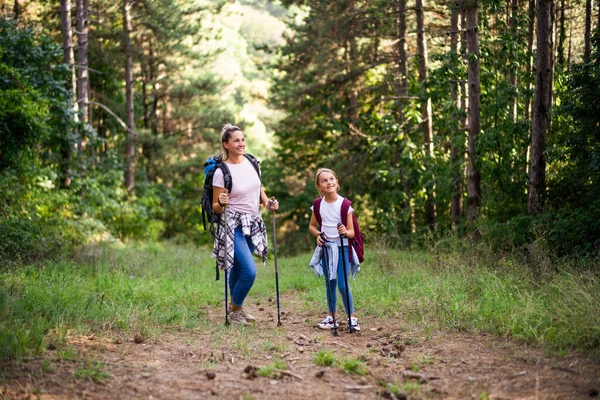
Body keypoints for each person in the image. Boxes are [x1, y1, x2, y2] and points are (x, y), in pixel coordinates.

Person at [212, 123, 279, 325]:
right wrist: (221, 203)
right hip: (233, 224)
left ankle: (234, 313)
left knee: (237, 269)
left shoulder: (252, 162)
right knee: (249, 271)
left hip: (254, 222)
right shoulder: (221, 171)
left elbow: (258, 188)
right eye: (236, 140)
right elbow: (216, 207)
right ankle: (236, 308)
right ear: (226, 144)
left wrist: (268, 203)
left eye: (242, 139)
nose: (241, 143)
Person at [308, 168, 361, 331]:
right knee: (330, 283)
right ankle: (331, 317)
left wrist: (345, 232)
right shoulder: (317, 205)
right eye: (324, 180)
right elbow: (312, 226)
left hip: (343, 248)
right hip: (327, 249)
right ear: (319, 187)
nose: (329, 182)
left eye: (331, 179)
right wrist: (318, 235)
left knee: (343, 284)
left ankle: (352, 317)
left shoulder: (345, 205)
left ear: (337, 182)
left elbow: (352, 232)